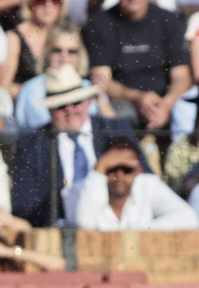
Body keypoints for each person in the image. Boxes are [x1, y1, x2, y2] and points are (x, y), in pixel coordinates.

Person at [83, 0, 192, 130]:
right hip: (123, 102)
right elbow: (101, 80)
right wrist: (137, 98)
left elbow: (181, 76)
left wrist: (166, 104)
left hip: (164, 100)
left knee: (186, 111)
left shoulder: (168, 21)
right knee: (118, 114)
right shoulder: (100, 23)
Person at [14, 67, 133, 228]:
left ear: (87, 101)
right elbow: (25, 206)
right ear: (50, 110)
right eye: (61, 105)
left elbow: (144, 180)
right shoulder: (32, 144)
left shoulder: (117, 132)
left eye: (76, 102)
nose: (70, 110)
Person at [65, 136, 198, 230]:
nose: (119, 175)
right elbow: (83, 225)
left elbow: (189, 218)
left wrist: (132, 232)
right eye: (112, 168)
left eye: (127, 169)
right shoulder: (80, 189)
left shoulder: (148, 184)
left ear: (139, 170)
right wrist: (100, 166)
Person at [14, 28, 108, 131]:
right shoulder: (30, 89)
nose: (64, 56)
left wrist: (100, 99)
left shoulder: (90, 87)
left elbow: (111, 130)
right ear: (47, 52)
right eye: (57, 50)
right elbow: (21, 128)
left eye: (71, 51)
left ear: (80, 55)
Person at [1, 0, 65, 99]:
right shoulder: (14, 37)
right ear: (30, 2)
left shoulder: (66, 32)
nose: (48, 5)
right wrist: (36, 91)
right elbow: (3, 87)